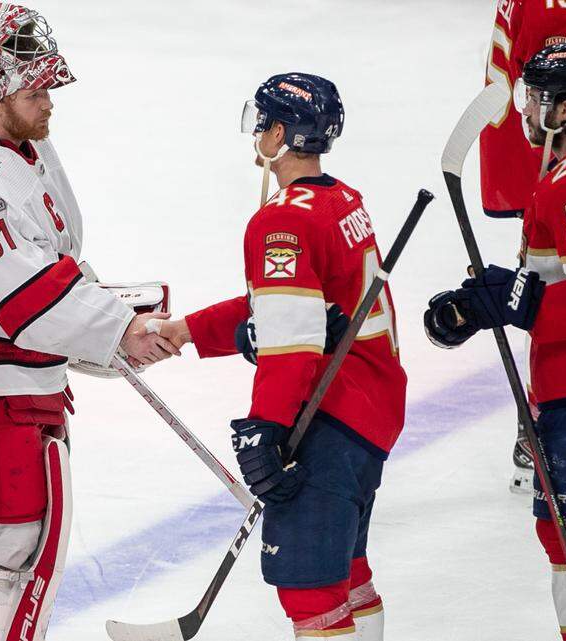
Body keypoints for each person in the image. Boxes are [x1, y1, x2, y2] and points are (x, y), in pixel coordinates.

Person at [0, 5, 177, 641]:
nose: (49, 101)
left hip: (17, 381)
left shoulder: (28, 149)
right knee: (2, 548)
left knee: (15, 547)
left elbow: (56, 265)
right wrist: (116, 332)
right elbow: (26, 301)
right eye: (35, 91)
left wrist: (117, 328)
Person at [155, 74, 404, 641]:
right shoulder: (342, 200)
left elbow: (291, 342)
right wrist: (188, 331)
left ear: (285, 134)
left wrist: (267, 428)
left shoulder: (282, 220)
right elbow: (283, 308)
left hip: (330, 417)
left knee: (311, 593)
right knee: (347, 575)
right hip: (370, 411)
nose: (257, 133)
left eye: (264, 122)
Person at [426, 42, 566, 641]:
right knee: (561, 537)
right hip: (559, 389)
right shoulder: (555, 178)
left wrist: (525, 302)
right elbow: (543, 285)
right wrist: (483, 301)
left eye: (537, 97)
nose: (525, 110)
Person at [480, 0, 566, 493]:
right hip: (556, 159)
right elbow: (535, 86)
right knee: (549, 271)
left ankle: (546, 415)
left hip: (557, 162)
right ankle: (545, 412)